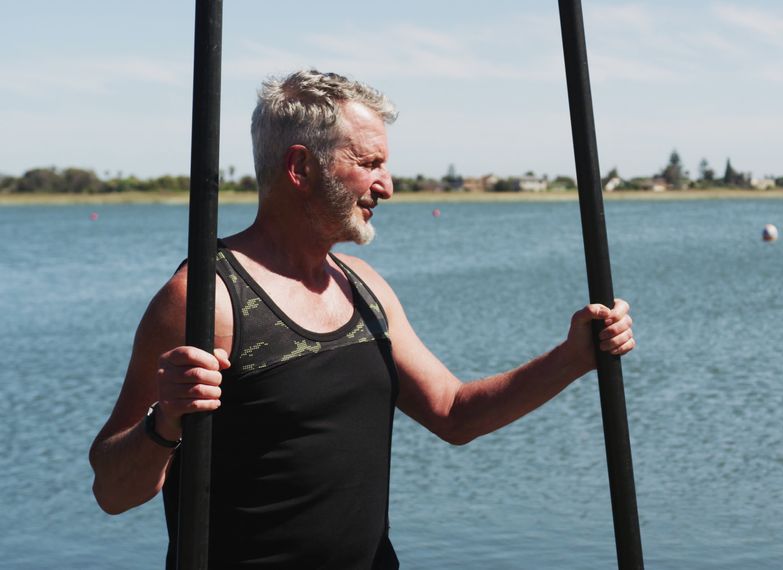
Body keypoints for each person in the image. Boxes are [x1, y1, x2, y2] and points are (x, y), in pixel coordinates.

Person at [88, 69, 635, 569]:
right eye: (368, 163)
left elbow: (454, 413)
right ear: (300, 167)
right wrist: (167, 421)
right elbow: (113, 491)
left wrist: (573, 359)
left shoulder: (364, 285)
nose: (387, 186)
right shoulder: (207, 299)